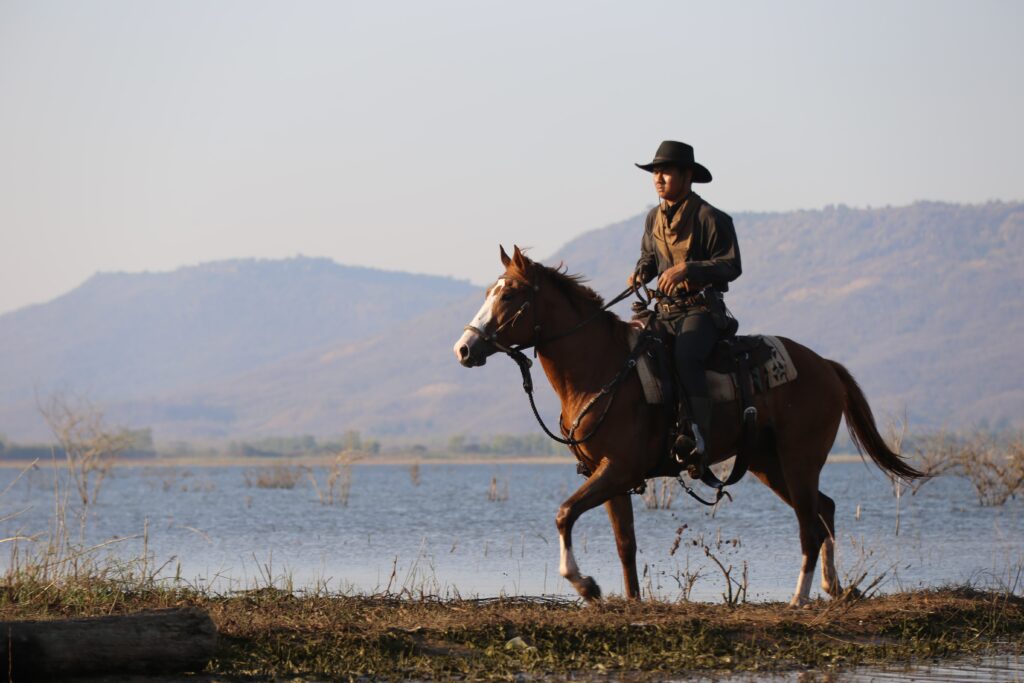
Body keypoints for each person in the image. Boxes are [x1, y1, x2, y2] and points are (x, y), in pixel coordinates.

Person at [628, 140, 742, 477]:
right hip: (663, 312)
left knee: (686, 357)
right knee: (634, 353)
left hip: (700, 311)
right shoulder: (653, 218)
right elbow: (649, 258)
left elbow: (731, 266)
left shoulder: (711, 217)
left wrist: (689, 269)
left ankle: (699, 439)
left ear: (686, 175)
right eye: (654, 173)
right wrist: (640, 272)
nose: (658, 178)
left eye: (664, 171)